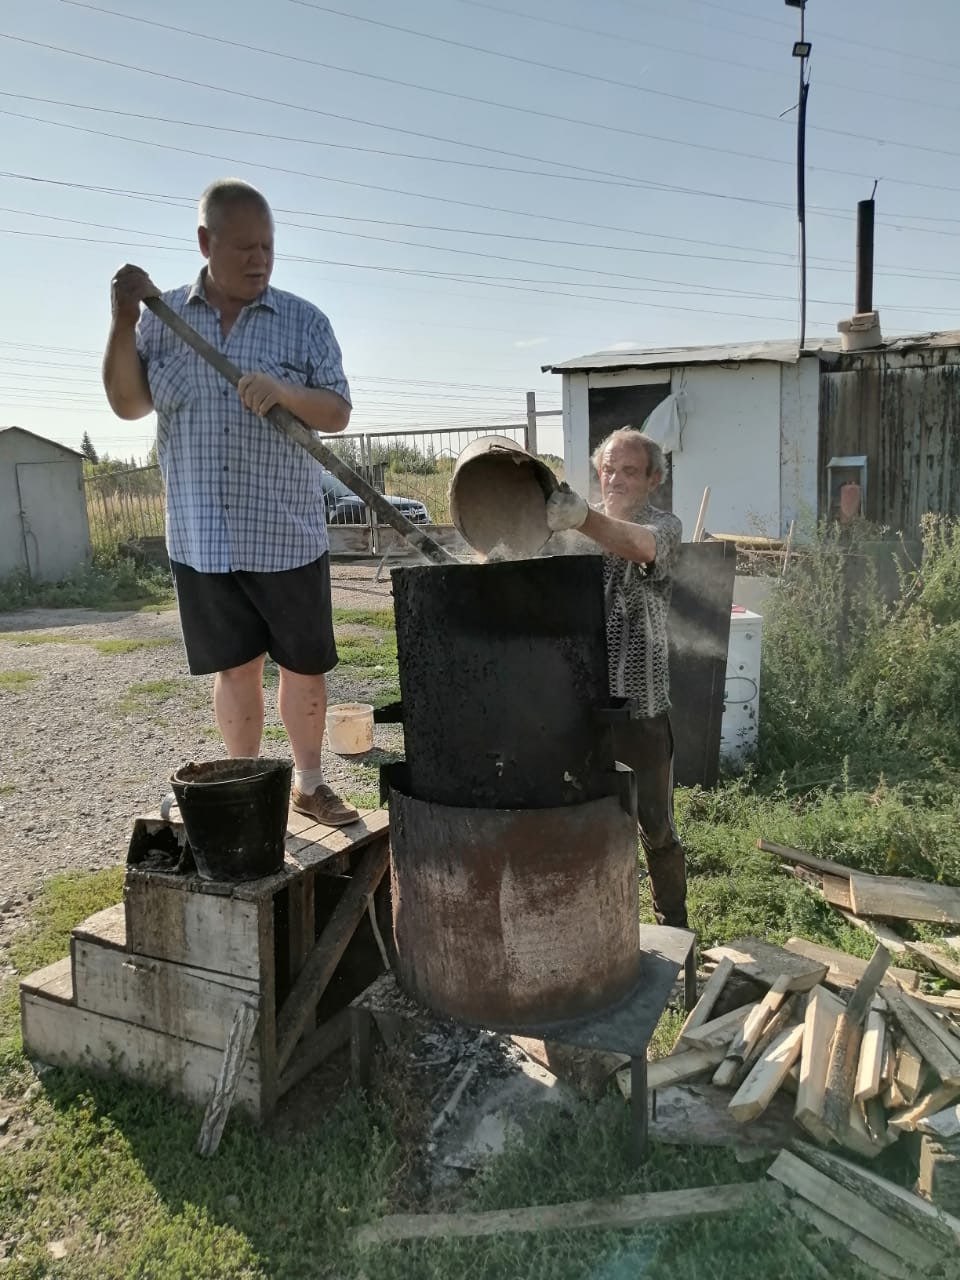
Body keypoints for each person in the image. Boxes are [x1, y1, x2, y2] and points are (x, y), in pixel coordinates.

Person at [102, 177, 359, 827]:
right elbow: (129, 404)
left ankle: (308, 782)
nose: (259, 259)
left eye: (268, 247)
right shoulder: (164, 322)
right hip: (202, 537)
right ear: (205, 242)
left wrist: (285, 393)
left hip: (286, 530)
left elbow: (337, 410)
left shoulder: (303, 322)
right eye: (244, 246)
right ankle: (247, 786)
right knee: (235, 671)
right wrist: (122, 320)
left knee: (303, 669)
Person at [545, 428, 688, 927]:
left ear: (652, 479)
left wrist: (583, 517)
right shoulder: (567, 535)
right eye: (608, 469)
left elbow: (640, 547)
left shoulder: (664, 526)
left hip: (641, 708)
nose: (616, 478)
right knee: (588, 819)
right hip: (579, 707)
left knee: (656, 825)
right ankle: (602, 925)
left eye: (630, 471)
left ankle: (674, 922)